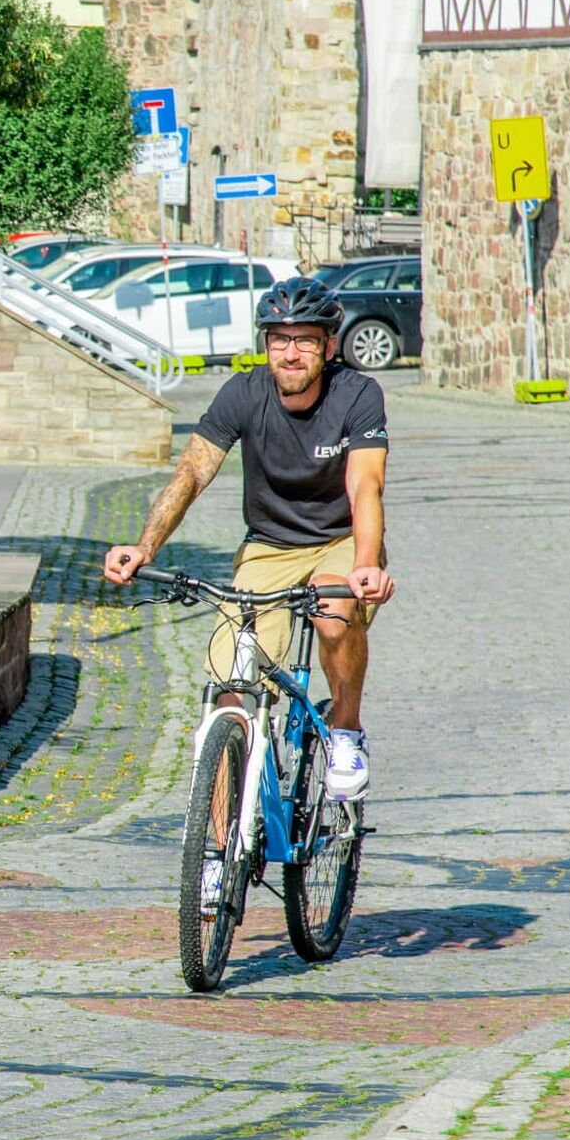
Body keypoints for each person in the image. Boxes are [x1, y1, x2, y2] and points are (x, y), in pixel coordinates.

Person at [103, 275, 395, 800]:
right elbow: (192, 472)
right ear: (265, 343)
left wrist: (366, 562)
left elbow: (365, 483)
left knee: (333, 615)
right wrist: (146, 547)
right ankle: (220, 843)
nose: (290, 353)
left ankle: (346, 731)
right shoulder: (243, 392)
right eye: (279, 339)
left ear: (329, 346)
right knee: (230, 687)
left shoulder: (357, 394)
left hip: (341, 540)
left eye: (304, 340)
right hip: (269, 546)